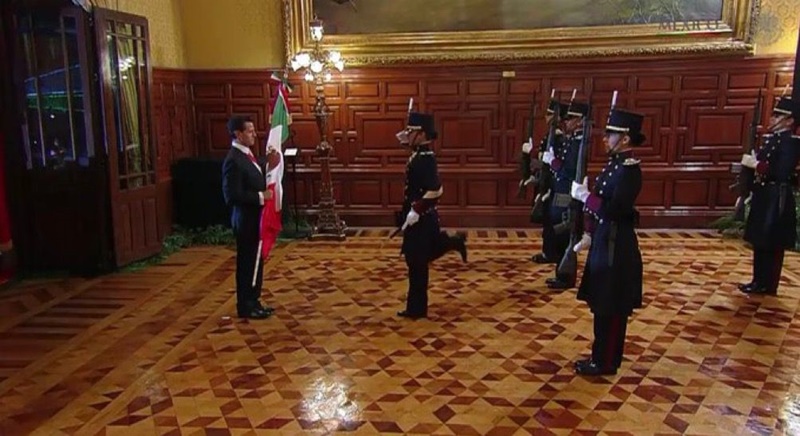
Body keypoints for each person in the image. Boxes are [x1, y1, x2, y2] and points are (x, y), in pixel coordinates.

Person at [569, 105, 645, 376]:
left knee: (611, 307)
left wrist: (585, 197)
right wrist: (588, 231)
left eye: (610, 134)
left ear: (624, 138)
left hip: (617, 244)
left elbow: (614, 210)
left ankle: (606, 362)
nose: (605, 138)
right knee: (601, 304)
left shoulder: (629, 170)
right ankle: (599, 356)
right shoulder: (614, 165)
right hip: (604, 239)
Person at [396, 112, 467, 319]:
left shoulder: (425, 159)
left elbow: (436, 189)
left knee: (417, 263)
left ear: (422, 134)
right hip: (416, 216)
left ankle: (416, 309)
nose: (408, 135)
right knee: (417, 259)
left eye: (412, 132)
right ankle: (453, 242)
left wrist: (416, 210)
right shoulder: (418, 155)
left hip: (422, 218)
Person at [738, 96, 800, 295]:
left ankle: (768, 284)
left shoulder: (791, 142)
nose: (773, 119)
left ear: (789, 120)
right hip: (764, 194)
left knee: (772, 243)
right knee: (760, 240)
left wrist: (756, 165)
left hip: (777, 196)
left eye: (778, 116)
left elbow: (781, 171)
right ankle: (758, 280)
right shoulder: (772, 140)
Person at [222, 115, 276, 320]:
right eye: (250, 131)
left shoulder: (246, 155)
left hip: (256, 220)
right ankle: (245, 305)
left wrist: (268, 163)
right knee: (246, 263)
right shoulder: (233, 160)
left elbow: (253, 176)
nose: (254, 134)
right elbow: (232, 195)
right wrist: (262, 196)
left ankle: (254, 300)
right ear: (238, 134)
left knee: (256, 262)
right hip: (246, 221)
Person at [542, 100, 588, 289]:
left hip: (568, 194)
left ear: (580, 121)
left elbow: (569, 171)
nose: (566, 122)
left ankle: (566, 276)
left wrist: (552, 162)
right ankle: (562, 273)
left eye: (571, 119)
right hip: (561, 191)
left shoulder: (579, 143)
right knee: (561, 236)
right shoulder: (572, 140)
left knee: (566, 236)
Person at [529, 99, 567, 264]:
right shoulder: (550, 135)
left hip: (553, 182)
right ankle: (548, 251)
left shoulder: (557, 136)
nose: (546, 117)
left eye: (550, 114)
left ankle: (552, 253)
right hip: (545, 179)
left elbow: (556, 161)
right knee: (546, 219)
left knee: (552, 220)